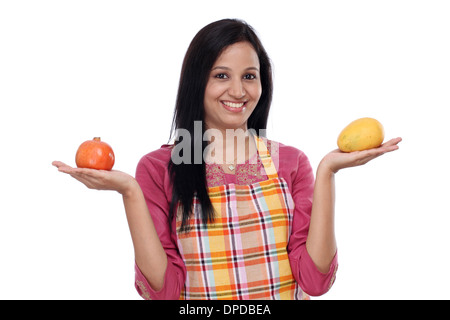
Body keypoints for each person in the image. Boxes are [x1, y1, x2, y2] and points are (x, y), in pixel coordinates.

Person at [52, 19, 401, 300]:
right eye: (222, 75)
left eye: (249, 76)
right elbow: (164, 293)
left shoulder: (290, 162)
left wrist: (328, 171)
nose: (238, 91)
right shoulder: (160, 168)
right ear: (196, 82)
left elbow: (314, 282)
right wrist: (128, 191)